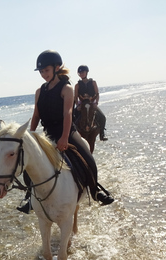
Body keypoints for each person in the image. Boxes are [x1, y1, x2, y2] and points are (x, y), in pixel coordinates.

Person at [17, 50, 113, 213]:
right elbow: (36, 116)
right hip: (47, 134)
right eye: (41, 71)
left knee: (88, 158)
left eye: (46, 70)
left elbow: (68, 113)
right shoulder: (39, 91)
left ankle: (95, 191)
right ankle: (29, 196)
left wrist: (64, 138)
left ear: (56, 68)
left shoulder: (67, 88)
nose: (43, 74)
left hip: (67, 132)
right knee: (29, 161)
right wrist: (29, 136)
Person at [74, 65, 108, 141]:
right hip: (82, 104)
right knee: (72, 117)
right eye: (79, 73)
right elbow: (75, 97)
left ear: (86, 72)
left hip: (92, 104)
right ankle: (71, 135)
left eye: (82, 72)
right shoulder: (77, 85)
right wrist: (78, 105)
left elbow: (97, 93)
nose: (81, 74)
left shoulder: (93, 82)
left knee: (102, 117)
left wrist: (96, 103)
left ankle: (102, 134)